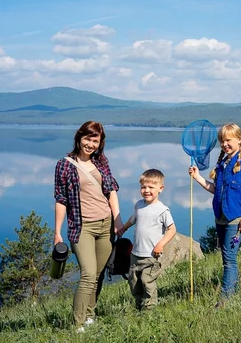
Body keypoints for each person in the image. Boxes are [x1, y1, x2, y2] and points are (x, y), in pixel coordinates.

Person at [53, 121, 124, 333]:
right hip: (81, 228)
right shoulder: (64, 165)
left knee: (99, 274)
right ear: (79, 138)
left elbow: (111, 190)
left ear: (100, 143)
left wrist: (117, 220)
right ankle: (77, 323)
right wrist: (57, 232)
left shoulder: (102, 162)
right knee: (88, 274)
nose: (90, 144)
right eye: (87, 139)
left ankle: (90, 315)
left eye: (95, 140)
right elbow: (60, 199)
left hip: (105, 225)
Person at [189, 123, 241, 307]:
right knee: (226, 257)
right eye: (222, 141)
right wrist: (198, 178)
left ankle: (226, 299)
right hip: (220, 218)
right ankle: (233, 290)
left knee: (229, 258)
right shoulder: (221, 165)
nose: (225, 144)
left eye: (228, 140)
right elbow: (215, 189)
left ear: (239, 140)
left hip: (235, 219)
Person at [122, 169, 176, 310]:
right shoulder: (139, 205)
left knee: (148, 282)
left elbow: (172, 229)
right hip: (136, 254)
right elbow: (133, 219)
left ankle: (150, 312)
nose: (146, 190)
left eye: (151, 187)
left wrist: (160, 245)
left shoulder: (162, 210)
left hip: (151, 256)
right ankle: (139, 307)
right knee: (134, 282)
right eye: (143, 187)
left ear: (160, 188)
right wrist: (123, 228)